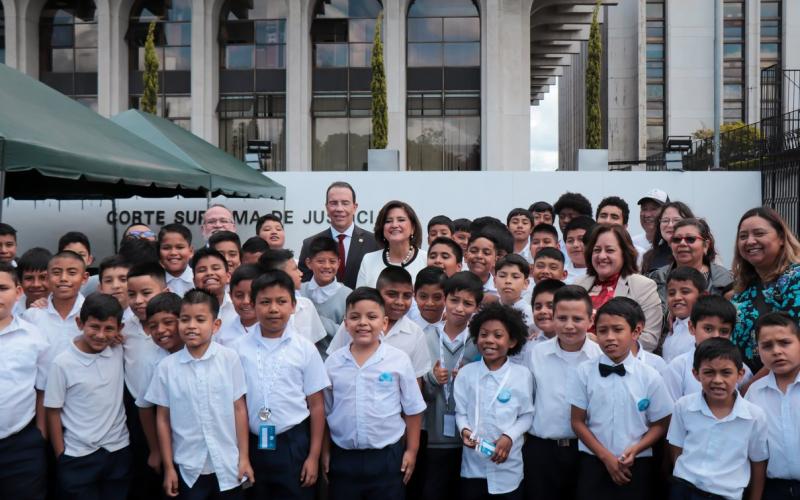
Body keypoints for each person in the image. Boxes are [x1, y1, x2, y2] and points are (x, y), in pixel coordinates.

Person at [144, 289, 253, 498]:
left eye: (200, 319)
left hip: (228, 464)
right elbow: (163, 420)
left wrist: (244, 458)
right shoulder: (166, 367)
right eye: (185, 319)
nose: (191, 325)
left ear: (216, 325)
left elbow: (239, 408)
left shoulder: (229, 359)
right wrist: (169, 468)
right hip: (189, 467)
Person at [323, 287, 426, 500]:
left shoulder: (398, 360)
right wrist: (325, 452)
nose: (363, 323)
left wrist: (411, 451)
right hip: (343, 457)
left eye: (371, 317)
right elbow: (325, 411)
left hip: (387, 457)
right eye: (355, 317)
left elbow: (413, 408)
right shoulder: (333, 363)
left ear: (384, 322)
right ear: (345, 323)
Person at [234, 271, 330, 499]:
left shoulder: (305, 349)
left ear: (294, 306)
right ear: (254, 305)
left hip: (293, 442)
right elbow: (238, 404)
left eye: (281, 301)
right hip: (253, 442)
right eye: (265, 302)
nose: (273, 309)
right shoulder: (239, 349)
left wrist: (313, 457)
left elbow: (317, 405)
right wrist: (243, 456)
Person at [568, 297, 673, 500]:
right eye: (602, 331)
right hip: (594, 460)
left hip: (636, 463)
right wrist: (605, 456)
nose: (609, 337)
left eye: (617, 330)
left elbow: (661, 423)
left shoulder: (650, 375)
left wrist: (636, 449)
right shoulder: (584, 372)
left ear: (635, 332)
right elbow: (577, 421)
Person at [44, 293, 131, 500]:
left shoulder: (117, 351)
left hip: (118, 450)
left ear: (119, 329)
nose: (101, 335)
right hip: (77, 455)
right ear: (79, 323)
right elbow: (53, 411)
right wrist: (61, 455)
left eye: (109, 328)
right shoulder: (62, 363)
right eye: (94, 327)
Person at [523, 285, 601, 500]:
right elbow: (527, 399)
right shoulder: (537, 353)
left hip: (585, 450)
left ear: (590, 320)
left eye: (577, 319)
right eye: (562, 318)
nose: (569, 326)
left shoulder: (599, 356)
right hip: (541, 451)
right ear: (553, 318)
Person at [667, 338, 768, 500]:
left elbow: (758, 463)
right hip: (684, 490)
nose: (717, 380)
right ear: (696, 374)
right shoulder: (683, 406)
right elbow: (676, 447)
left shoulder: (754, 416)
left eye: (726, 373)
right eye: (709, 372)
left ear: (740, 374)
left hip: (726, 495)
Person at [454, 303, 534, 499]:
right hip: (473, 467)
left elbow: (526, 415)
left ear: (512, 341)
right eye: (483, 334)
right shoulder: (465, 374)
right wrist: (464, 430)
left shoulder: (522, 375)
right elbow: (461, 412)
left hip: (508, 467)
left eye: (498, 335)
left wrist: (508, 437)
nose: (489, 340)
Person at [422, 271, 482, 500]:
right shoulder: (426, 336)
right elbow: (417, 391)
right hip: (433, 434)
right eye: (454, 300)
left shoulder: (479, 341)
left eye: (467, 303)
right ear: (444, 299)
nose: (459, 308)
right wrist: (432, 378)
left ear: (476, 307)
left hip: (468, 437)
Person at [326, 267, 432, 379]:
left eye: (407, 296)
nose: (400, 302)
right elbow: (334, 361)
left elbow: (416, 379)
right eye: (392, 294)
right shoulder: (354, 325)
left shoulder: (415, 333)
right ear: (377, 293)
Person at [0, 261, 49, 500]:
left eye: (2, 288)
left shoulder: (33, 337)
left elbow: (42, 390)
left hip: (20, 444)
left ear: (18, 292)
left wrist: (39, 433)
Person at [731, 206, 800, 374]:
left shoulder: (795, 280)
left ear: (781, 238)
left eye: (759, 233)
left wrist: (751, 387)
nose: (750, 241)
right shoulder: (744, 288)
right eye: (743, 236)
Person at [575, 224, 663, 351]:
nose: (602, 256)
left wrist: (599, 343)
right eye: (597, 250)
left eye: (610, 250)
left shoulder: (643, 286)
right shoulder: (578, 284)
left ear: (625, 253)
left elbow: (649, 340)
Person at [744, 312, 800, 499]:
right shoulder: (754, 393)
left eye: (785, 343)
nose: (776, 351)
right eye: (767, 346)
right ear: (758, 351)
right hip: (774, 490)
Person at [133, 292, 184, 487]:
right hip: (170, 443)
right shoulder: (152, 361)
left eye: (168, 322)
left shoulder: (200, 350)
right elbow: (145, 408)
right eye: (153, 326)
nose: (160, 330)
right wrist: (155, 450)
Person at [663, 295, 751, 401]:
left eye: (724, 331)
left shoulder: (741, 369)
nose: (716, 336)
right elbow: (671, 411)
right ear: (692, 328)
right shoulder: (678, 367)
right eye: (708, 329)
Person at [298, 182, 380, 290]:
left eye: (345, 203)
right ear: (327, 208)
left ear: (355, 207)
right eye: (334, 203)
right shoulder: (310, 244)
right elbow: (305, 285)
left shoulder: (374, 242)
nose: (339, 209)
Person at [650, 218, 733, 305]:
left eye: (690, 239)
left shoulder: (725, 280)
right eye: (677, 239)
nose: (682, 243)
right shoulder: (656, 278)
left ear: (705, 245)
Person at [23, 251, 87, 357]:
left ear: (84, 278)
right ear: (47, 278)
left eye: (71, 273)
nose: (63, 278)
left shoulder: (93, 314)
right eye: (56, 273)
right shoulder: (32, 316)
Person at [259, 249, 328, 345]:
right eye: (295, 269)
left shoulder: (306, 305)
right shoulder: (260, 310)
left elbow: (313, 345)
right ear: (281, 274)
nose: (301, 273)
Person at [356, 200, 426, 288]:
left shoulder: (426, 259)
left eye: (401, 220)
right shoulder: (369, 260)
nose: (394, 225)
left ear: (413, 228)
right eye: (388, 221)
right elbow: (360, 299)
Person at [300, 236, 352, 347]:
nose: (327, 266)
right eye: (320, 261)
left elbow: (349, 333)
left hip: (334, 360)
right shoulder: (299, 291)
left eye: (332, 261)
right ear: (309, 263)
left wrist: (316, 317)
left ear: (338, 263)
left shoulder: (348, 295)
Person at [659, 267, 706, 363]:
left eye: (685, 292)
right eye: (671, 293)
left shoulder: (704, 331)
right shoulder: (671, 328)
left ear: (702, 296)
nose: (677, 297)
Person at [641, 201, 694, 274]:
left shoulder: (697, 252)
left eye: (676, 220)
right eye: (665, 221)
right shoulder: (649, 257)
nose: (670, 225)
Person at [215, 264, 262, 346]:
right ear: (231, 296)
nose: (246, 301)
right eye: (239, 296)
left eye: (252, 295)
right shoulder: (222, 333)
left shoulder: (273, 331)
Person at [191, 247, 237, 326]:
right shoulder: (186, 310)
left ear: (228, 276)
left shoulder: (237, 308)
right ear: (194, 281)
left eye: (215, 268)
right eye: (202, 270)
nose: (209, 273)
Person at [494, 254, 534, 333]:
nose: (508, 281)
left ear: (525, 283)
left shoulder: (531, 316)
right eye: (502, 276)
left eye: (515, 277)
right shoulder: (488, 312)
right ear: (495, 281)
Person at [157, 223, 194, 298]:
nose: (173, 253)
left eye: (180, 247)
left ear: (191, 251)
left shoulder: (198, 280)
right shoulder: (154, 282)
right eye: (166, 248)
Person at [59, 231, 99, 296]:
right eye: (70, 254)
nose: (76, 259)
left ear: (89, 259)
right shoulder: (53, 284)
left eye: (81, 255)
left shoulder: (100, 282)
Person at [409, 266, 447, 333]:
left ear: (447, 297)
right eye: (423, 296)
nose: (430, 303)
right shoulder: (408, 328)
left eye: (437, 297)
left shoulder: (454, 328)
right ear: (414, 296)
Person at [14, 247, 52, 314]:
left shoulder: (63, 307)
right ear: (20, 281)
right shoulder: (11, 309)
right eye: (29, 278)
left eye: (43, 277)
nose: (36, 284)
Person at [466, 231, 500, 300]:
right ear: (465, 256)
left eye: (486, 253)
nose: (479, 256)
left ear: (495, 260)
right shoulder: (454, 283)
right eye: (473, 251)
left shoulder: (500, 291)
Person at [529, 278, 565, 344]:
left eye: (550, 306)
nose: (543, 311)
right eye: (538, 307)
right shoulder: (530, 344)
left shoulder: (577, 344)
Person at [564, 216, 595, 284]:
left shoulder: (603, 274)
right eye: (570, 240)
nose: (575, 245)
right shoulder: (559, 274)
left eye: (581, 239)